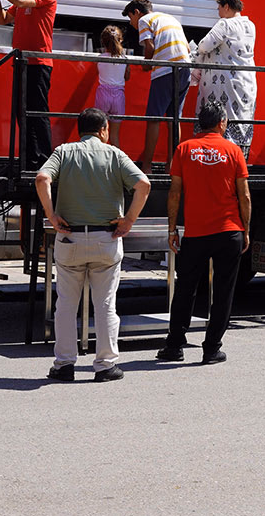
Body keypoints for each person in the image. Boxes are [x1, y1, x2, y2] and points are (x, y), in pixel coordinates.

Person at [36, 108, 151, 381]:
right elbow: (143, 185)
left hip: (70, 237)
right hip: (106, 239)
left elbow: (42, 179)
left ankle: (64, 365)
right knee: (106, 304)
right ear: (104, 129)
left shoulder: (63, 152)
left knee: (65, 304)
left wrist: (52, 215)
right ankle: (105, 366)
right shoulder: (114, 155)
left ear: (80, 130)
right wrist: (128, 221)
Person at [158, 99, 252, 364]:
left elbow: (175, 192)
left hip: (196, 234)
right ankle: (211, 349)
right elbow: (244, 195)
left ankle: (175, 345)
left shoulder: (184, 149)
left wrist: (172, 228)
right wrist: (246, 229)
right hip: (228, 231)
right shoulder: (233, 151)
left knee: (185, 288)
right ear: (222, 123)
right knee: (223, 291)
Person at [0, 0, 57, 166]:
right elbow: (3, 19)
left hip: (38, 62)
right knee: (22, 112)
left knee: (37, 112)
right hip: (22, 63)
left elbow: (19, 1)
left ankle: (43, 160)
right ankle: (29, 159)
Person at [122, 0, 191, 172]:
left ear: (137, 12)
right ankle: (172, 165)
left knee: (153, 119)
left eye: (131, 18)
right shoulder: (171, 19)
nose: (131, 24)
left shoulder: (145, 20)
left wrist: (147, 65)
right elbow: (188, 50)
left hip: (165, 72)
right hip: (184, 71)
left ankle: (146, 167)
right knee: (174, 120)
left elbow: (150, 48)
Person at [192, 0, 257, 159]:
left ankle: (216, 162)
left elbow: (204, 45)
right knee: (240, 122)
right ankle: (238, 165)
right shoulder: (250, 25)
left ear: (226, 6)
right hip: (246, 82)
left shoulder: (225, 24)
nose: (218, 12)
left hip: (224, 84)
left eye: (219, 8)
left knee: (218, 121)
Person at [93, 25, 131, 144]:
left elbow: (97, 72)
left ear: (103, 42)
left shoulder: (100, 58)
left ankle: (99, 159)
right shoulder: (124, 59)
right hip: (118, 96)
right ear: (120, 40)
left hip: (103, 94)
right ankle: (116, 162)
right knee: (115, 136)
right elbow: (127, 77)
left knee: (100, 134)